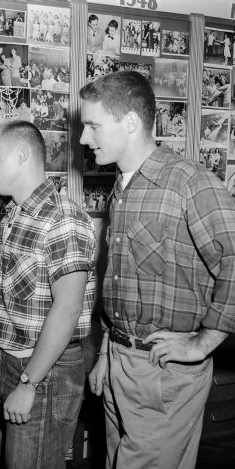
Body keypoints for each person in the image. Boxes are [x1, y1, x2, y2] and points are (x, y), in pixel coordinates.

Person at [80, 71, 235, 469]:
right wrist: (107, 353)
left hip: (163, 373)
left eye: (93, 125)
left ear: (130, 122)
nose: (84, 138)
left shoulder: (190, 183)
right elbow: (122, 280)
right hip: (119, 362)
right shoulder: (124, 186)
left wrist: (203, 342)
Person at [0, 119, 96, 469]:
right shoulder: (14, 213)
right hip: (13, 363)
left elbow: (68, 308)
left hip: (46, 373)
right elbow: (12, 297)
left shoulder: (63, 218)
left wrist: (29, 382)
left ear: (21, 155)